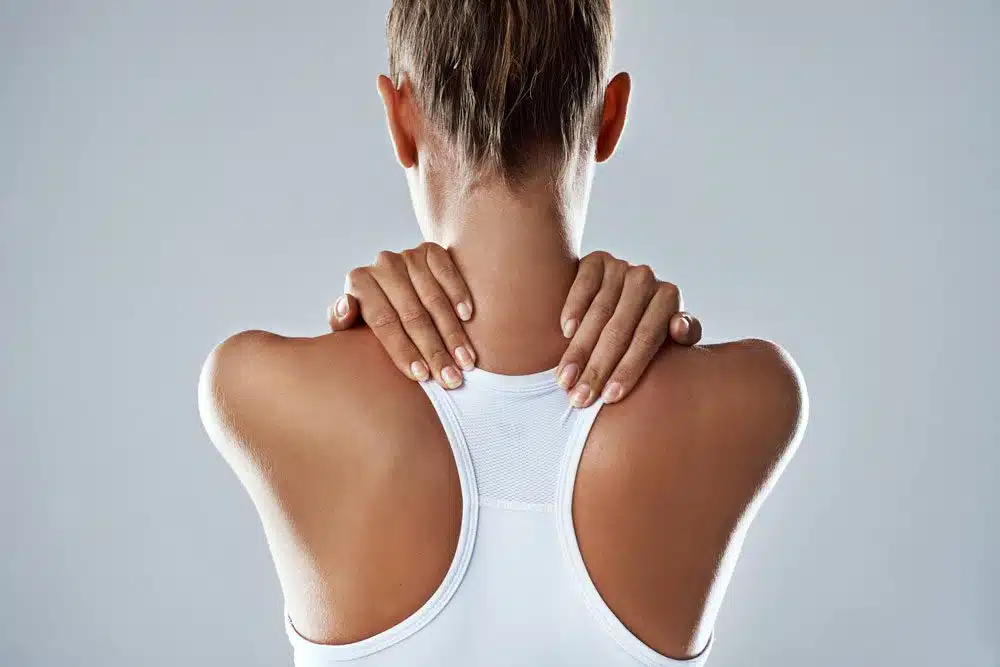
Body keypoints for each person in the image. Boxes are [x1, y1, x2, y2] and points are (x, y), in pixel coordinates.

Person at [198, 1, 808, 665]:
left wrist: (347, 323)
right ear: (611, 116)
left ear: (399, 119)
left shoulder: (254, 387)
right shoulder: (758, 397)